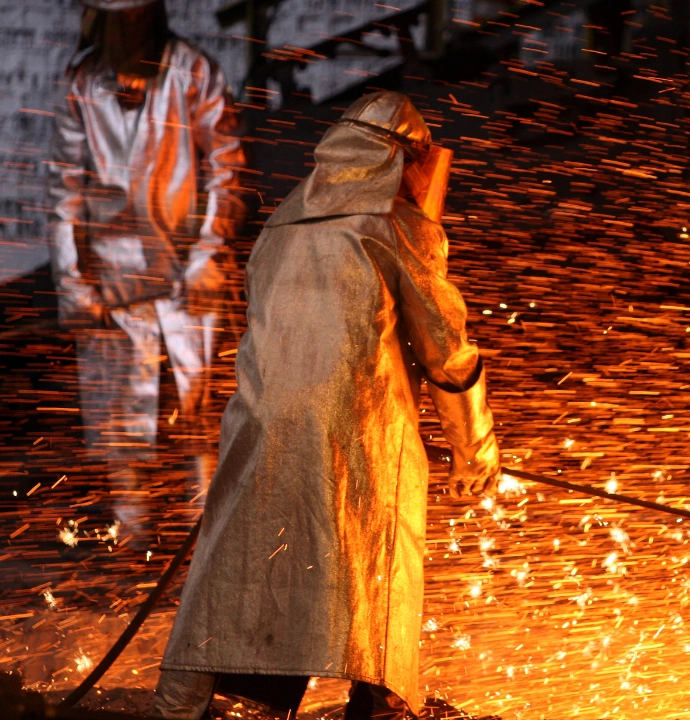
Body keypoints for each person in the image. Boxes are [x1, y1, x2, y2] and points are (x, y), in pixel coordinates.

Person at [149, 91, 503, 720]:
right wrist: (474, 451)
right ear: (402, 159)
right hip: (361, 436)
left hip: (261, 430)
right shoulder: (396, 228)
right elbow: (447, 350)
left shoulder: (279, 228)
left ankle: (215, 704)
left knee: (252, 568)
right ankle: (380, 702)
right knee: (372, 579)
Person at [48, 0, 245, 535]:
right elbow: (65, 187)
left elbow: (225, 169)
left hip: (187, 274)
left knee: (198, 412)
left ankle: (207, 538)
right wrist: (72, 284)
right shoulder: (82, 81)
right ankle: (131, 540)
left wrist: (207, 254)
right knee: (121, 423)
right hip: (112, 281)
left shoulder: (193, 72)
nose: (130, 28)